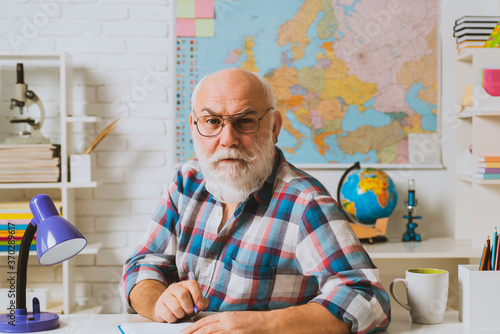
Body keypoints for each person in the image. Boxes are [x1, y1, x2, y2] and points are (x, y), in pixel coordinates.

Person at [119, 68, 391, 333]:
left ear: (274, 127)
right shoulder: (186, 182)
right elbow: (143, 263)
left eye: (245, 121)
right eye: (212, 121)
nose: (228, 139)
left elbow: (369, 298)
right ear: (194, 126)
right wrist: (158, 302)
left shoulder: (307, 203)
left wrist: (264, 325)